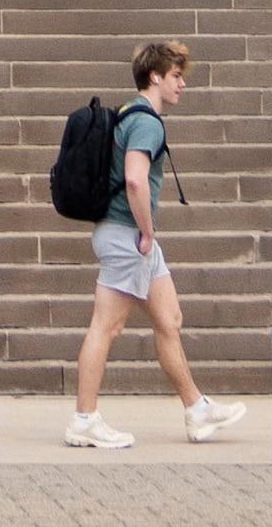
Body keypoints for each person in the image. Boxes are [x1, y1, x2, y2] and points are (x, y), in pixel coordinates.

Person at [65, 38, 245, 450]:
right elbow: (134, 179)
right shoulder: (146, 122)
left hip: (130, 235)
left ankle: (197, 410)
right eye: (177, 77)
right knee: (106, 327)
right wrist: (146, 232)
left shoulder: (130, 114)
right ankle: (83, 419)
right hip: (129, 235)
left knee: (169, 319)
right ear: (155, 77)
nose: (182, 85)